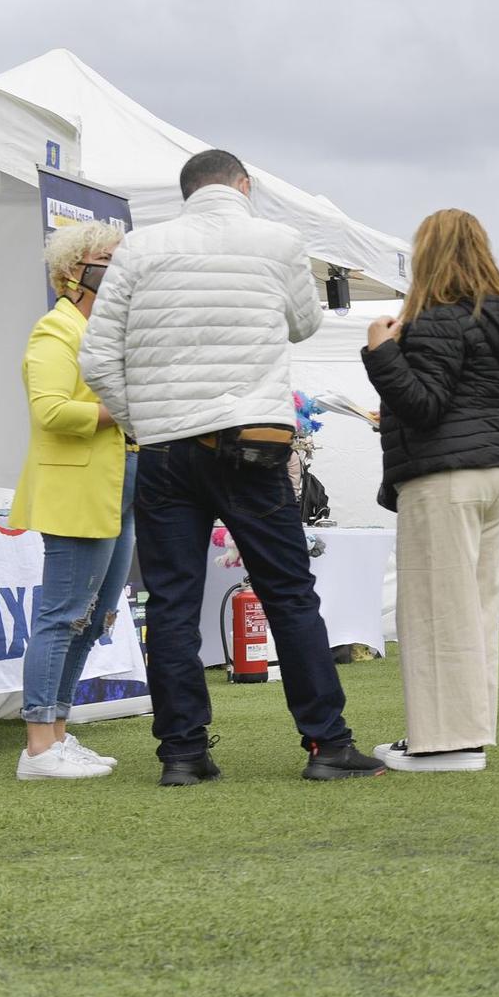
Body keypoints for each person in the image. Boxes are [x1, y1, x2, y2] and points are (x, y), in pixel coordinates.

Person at [80, 149, 382, 784]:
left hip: (165, 449)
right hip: (252, 442)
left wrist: (145, 422)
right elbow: (303, 324)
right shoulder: (278, 240)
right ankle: (326, 745)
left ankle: (183, 754)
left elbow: (97, 359)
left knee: (171, 605)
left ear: (186, 192)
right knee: (290, 595)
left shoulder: (139, 249)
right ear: (243, 187)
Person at [359, 210, 499, 773]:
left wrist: (382, 352)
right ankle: (466, 733)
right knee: (475, 609)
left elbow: (424, 404)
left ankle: (443, 742)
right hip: (494, 470)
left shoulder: (435, 321)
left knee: (434, 608)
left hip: (444, 476)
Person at [9, 222, 131, 780]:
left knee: (94, 617)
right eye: (106, 259)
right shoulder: (54, 332)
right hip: (78, 489)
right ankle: (38, 745)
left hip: (118, 488)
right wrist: (123, 410)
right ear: (73, 270)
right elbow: (52, 412)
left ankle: (57, 729)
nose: (116, 268)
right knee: (62, 616)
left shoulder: (107, 329)